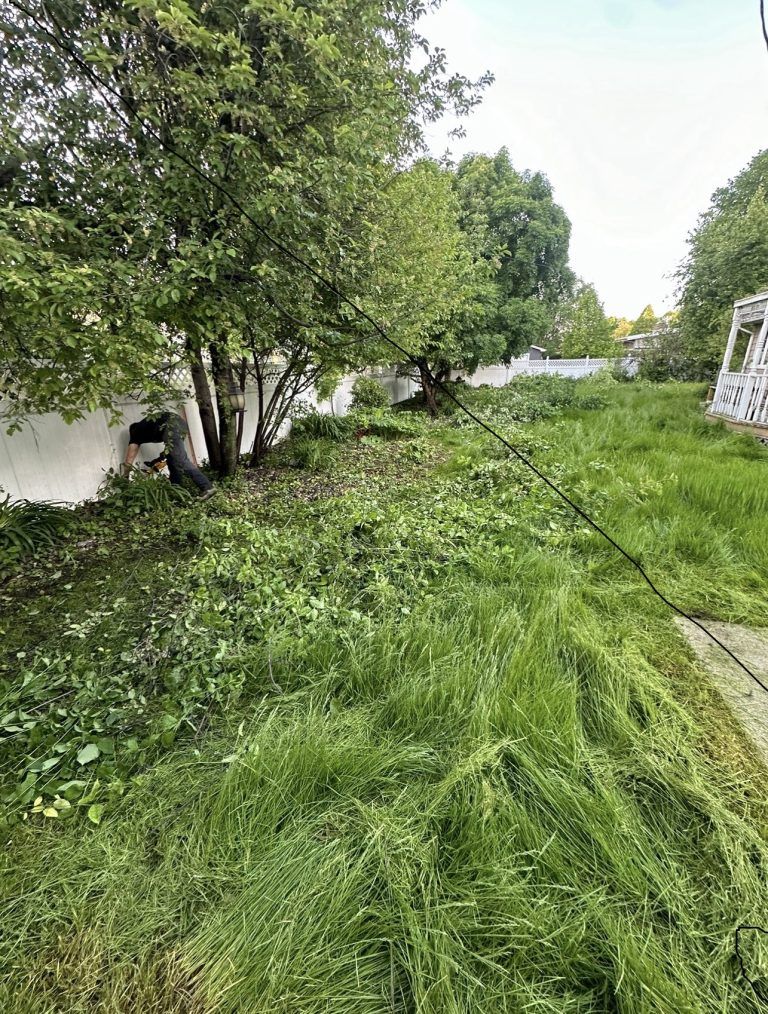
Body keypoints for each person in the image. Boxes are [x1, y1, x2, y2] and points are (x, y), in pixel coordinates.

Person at [122, 411, 215, 499]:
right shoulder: (148, 425)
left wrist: (125, 477)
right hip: (180, 423)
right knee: (172, 457)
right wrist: (161, 457)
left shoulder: (136, 432)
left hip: (171, 425)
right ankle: (176, 489)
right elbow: (170, 449)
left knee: (180, 459)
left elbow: (129, 459)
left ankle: (207, 487)